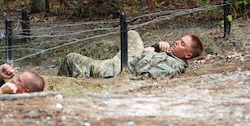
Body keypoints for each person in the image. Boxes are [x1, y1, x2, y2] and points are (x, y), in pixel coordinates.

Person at [58, 30, 204, 78]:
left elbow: (143, 74)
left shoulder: (172, 66)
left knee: (71, 58)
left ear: (188, 55)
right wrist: (156, 47)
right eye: (180, 39)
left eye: (182, 44)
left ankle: (70, 85)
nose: (177, 42)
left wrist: (149, 52)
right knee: (132, 34)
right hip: (131, 59)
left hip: (121, 69)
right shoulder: (172, 55)